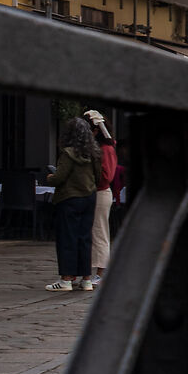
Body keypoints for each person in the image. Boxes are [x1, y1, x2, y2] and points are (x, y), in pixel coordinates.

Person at [45, 117, 101, 293]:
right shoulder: (94, 153)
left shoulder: (68, 153)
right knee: (85, 238)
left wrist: (50, 178)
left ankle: (66, 279)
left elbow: (60, 177)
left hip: (69, 198)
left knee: (67, 238)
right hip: (89, 197)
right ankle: (86, 279)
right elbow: (98, 176)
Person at [86, 112, 120, 287]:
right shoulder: (101, 148)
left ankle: (101, 271)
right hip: (94, 192)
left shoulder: (106, 149)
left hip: (100, 192)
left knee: (99, 232)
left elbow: (106, 176)